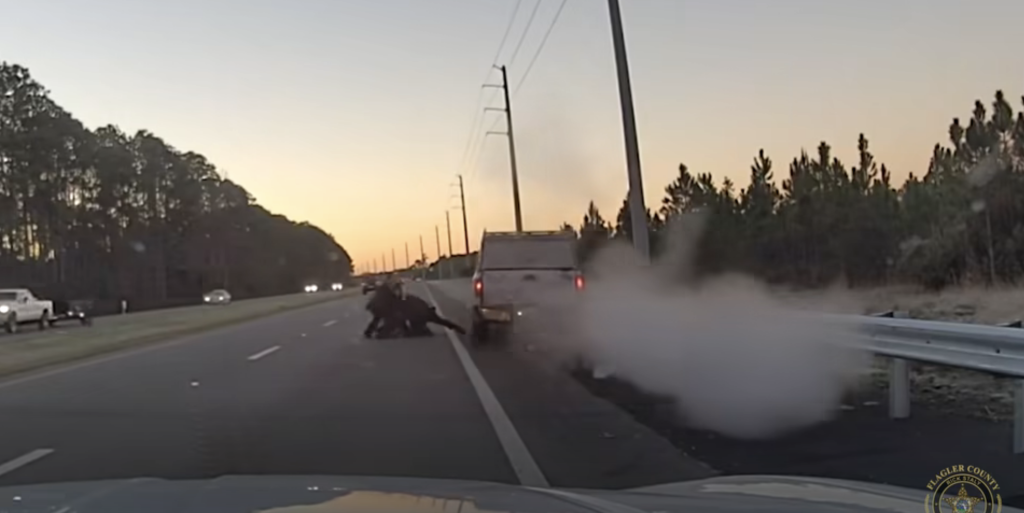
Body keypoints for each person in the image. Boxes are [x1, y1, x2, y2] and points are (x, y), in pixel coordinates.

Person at [398, 293, 466, 337]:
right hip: (425, 311)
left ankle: (421, 330)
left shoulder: (403, 305)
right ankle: (458, 328)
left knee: (414, 331)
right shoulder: (410, 298)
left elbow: (403, 318)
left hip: (419, 314)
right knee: (440, 321)